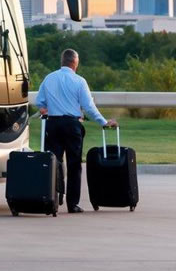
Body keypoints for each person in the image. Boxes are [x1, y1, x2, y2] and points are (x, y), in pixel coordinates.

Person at [35, 48, 117, 213]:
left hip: (53, 124)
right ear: (75, 63)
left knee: (53, 163)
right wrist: (103, 122)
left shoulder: (49, 78)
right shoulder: (80, 81)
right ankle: (72, 204)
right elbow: (88, 107)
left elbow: (39, 102)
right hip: (72, 126)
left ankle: (54, 199)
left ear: (62, 61)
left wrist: (46, 109)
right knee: (74, 165)